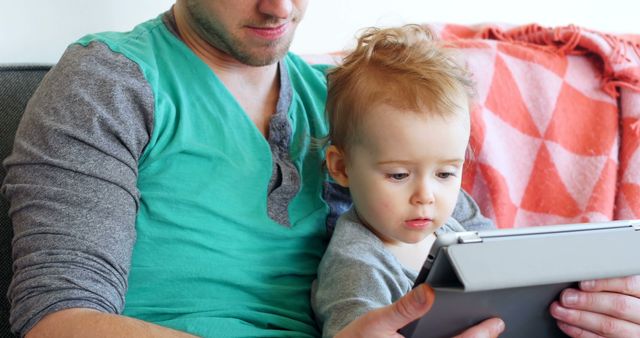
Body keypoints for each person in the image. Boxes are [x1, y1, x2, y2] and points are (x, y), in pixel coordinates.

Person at [0, 1, 638, 337]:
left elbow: (456, 254)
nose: (280, 6)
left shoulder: (352, 103)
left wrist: (577, 307)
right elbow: (57, 318)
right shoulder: (111, 80)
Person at [310, 24, 492, 337]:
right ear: (341, 167)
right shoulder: (356, 266)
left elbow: (495, 252)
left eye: (445, 173)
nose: (426, 195)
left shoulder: (453, 210)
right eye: (399, 175)